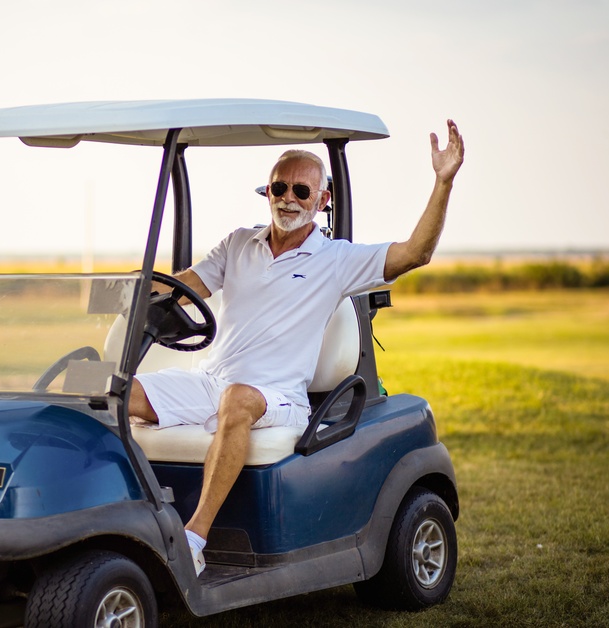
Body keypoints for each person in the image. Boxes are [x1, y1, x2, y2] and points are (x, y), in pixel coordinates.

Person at [129, 120, 465, 575]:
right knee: (116, 394)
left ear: (323, 201)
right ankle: (117, 524)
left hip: (280, 395)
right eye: (279, 187)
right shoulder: (238, 244)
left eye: (302, 191)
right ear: (266, 191)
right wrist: (130, 291)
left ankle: (192, 540)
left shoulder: (336, 259)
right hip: (213, 381)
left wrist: (443, 182)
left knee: (238, 399)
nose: (288, 197)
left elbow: (414, 253)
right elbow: (182, 288)